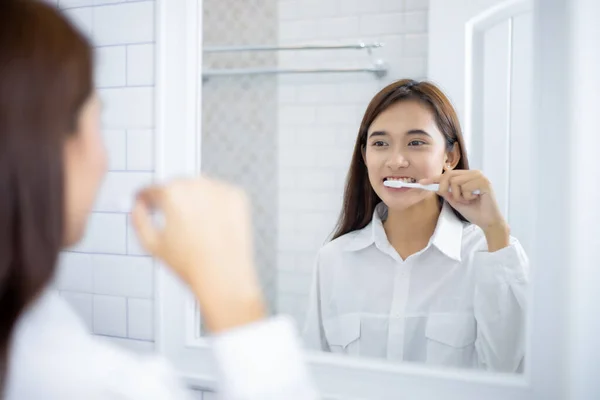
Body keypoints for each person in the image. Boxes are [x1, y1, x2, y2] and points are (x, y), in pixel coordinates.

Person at [0, 1, 317, 399]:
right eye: (97, 121)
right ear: (37, 145)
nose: (104, 159)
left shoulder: (36, 321)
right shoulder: (97, 384)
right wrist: (234, 299)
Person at [303, 79, 529, 372]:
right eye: (380, 143)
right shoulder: (333, 260)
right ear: (365, 156)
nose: (396, 161)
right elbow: (316, 375)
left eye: (416, 142)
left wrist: (496, 229)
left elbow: (510, 370)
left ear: (450, 157)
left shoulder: (493, 255)